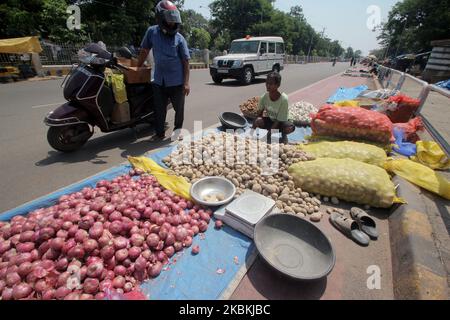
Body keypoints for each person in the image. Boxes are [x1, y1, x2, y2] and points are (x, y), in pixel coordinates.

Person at [137, 0, 191, 141]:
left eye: (174, 19)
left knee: (179, 110)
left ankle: (177, 132)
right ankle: (159, 134)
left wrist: (186, 83)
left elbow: (186, 62)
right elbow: (144, 50)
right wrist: (137, 66)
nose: (172, 23)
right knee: (159, 110)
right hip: (159, 80)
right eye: (169, 19)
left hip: (177, 82)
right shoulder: (152, 32)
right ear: (160, 18)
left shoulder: (180, 39)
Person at [252, 72, 295, 144]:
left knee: (289, 128)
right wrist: (252, 130)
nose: (268, 85)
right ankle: (269, 132)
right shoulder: (264, 97)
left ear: (278, 85)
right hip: (271, 121)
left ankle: (284, 135)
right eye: (267, 83)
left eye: (271, 84)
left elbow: (278, 121)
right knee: (258, 121)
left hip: (282, 123)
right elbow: (259, 114)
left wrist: (267, 136)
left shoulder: (283, 99)